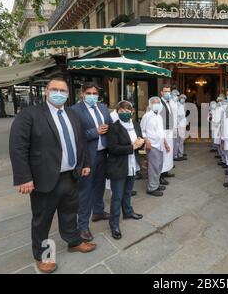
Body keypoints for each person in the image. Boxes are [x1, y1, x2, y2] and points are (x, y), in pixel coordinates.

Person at [9, 76, 96, 274]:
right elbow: (18, 147)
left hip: (71, 176)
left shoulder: (72, 114)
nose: (59, 93)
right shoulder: (29, 115)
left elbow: (80, 142)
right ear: (46, 92)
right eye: (55, 89)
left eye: (63, 91)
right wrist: (24, 178)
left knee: (69, 213)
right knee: (43, 219)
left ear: (68, 94)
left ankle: (73, 241)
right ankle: (43, 255)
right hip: (44, 179)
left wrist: (85, 163)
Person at [71, 82, 113, 242]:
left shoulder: (102, 107)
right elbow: (75, 135)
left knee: (99, 185)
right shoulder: (75, 110)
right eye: (89, 93)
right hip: (87, 157)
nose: (92, 96)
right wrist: (94, 132)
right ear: (82, 94)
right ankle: (82, 225)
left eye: (95, 93)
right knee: (85, 190)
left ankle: (98, 211)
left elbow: (110, 123)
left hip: (103, 154)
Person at [106, 101, 144, 240]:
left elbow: (139, 141)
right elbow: (113, 148)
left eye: (128, 110)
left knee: (128, 191)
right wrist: (132, 147)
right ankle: (114, 224)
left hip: (132, 164)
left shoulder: (135, 124)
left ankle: (128, 212)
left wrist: (141, 143)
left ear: (132, 111)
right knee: (117, 196)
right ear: (117, 112)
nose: (125, 113)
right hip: (118, 166)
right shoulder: (114, 127)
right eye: (121, 111)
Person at [140, 97, 170, 197]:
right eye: (154, 103)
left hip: (160, 145)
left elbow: (161, 132)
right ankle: (152, 188)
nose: (157, 104)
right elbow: (142, 131)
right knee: (153, 167)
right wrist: (146, 141)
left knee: (159, 166)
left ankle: (156, 184)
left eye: (158, 102)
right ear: (150, 104)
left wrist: (165, 144)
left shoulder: (159, 116)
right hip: (152, 145)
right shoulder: (147, 116)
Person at [159, 85, 175, 182]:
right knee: (163, 152)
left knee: (169, 152)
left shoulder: (168, 103)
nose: (168, 93)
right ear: (161, 92)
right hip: (163, 131)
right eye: (165, 91)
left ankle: (166, 170)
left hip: (169, 130)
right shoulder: (159, 103)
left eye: (169, 91)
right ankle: (160, 175)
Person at [175, 93, 188, 160]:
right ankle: (177, 155)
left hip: (182, 125)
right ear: (179, 98)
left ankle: (180, 153)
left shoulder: (182, 105)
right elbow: (178, 117)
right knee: (178, 141)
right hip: (179, 126)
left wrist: (186, 122)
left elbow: (183, 116)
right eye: (182, 98)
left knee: (181, 141)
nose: (183, 99)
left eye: (184, 98)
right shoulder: (177, 105)